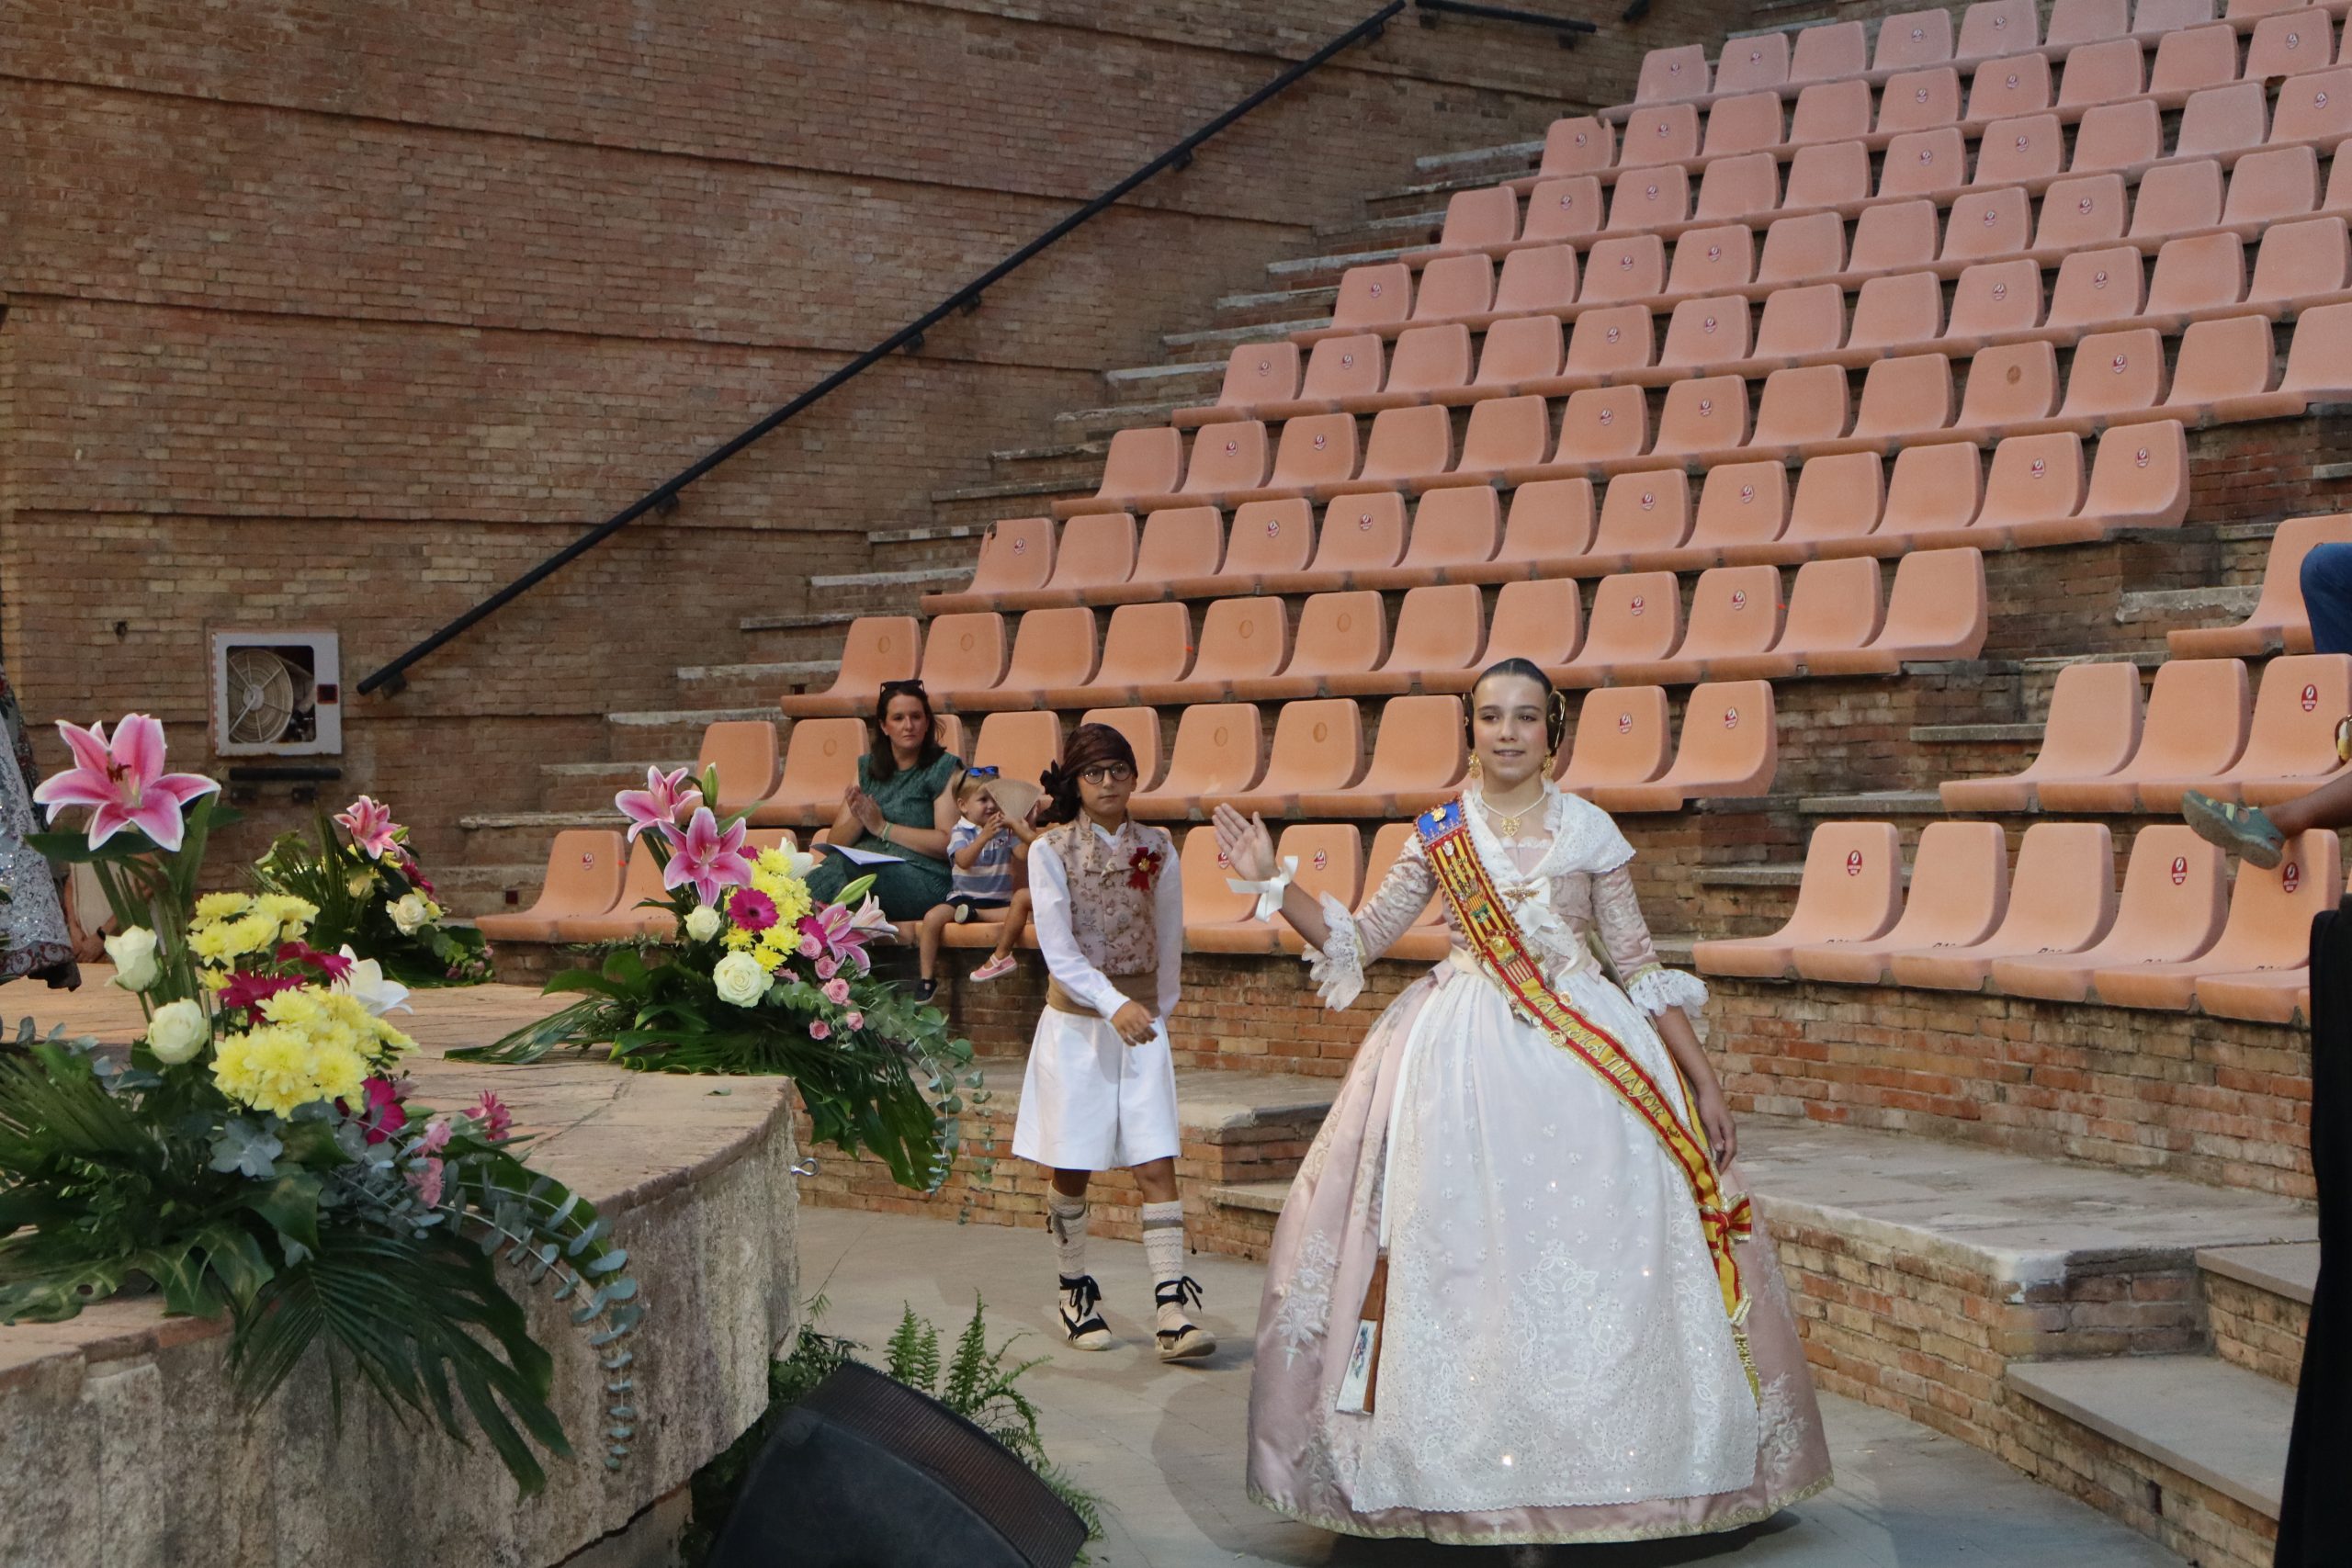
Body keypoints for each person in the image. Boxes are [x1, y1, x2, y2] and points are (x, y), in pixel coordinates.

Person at [1216, 658, 1830, 1545]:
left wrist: (1703, 1079)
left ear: (1554, 731)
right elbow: (1360, 940)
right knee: (1466, 1267)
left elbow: (1638, 963)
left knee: (1598, 1263)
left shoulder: (1592, 830)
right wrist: (1272, 882)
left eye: (1526, 716)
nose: (1508, 731)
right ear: (1471, 729)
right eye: (1492, 715)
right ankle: (1470, 1481)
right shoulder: (1439, 833)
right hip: (1458, 1067)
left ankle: (1624, 1477)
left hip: (1592, 1066)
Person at [1011, 723, 1214, 1362]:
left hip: (1141, 1022)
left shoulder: (1158, 846)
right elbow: (1058, 949)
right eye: (1094, 773)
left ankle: (1171, 1310)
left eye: (1119, 770)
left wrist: (1157, 1008)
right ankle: (1074, 1287)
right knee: (1073, 1162)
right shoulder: (1049, 850)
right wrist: (1112, 1003)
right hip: (1078, 1026)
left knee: (1156, 1159)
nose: (1107, 783)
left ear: (1134, 776)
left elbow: (1170, 936)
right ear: (1075, 782)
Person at [805, 678, 964, 926]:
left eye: (916, 717)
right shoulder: (867, 768)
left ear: (927, 722)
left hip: (926, 878)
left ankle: (805, 932)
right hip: (863, 868)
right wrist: (860, 818)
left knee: (846, 872)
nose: (908, 725)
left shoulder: (944, 768)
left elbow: (949, 843)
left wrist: (883, 828)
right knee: (819, 873)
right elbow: (836, 843)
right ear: (884, 726)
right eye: (898, 718)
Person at [914, 767, 1035, 998]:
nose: (991, 805)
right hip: (963, 898)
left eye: (995, 799)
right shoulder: (960, 831)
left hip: (998, 901)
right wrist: (984, 836)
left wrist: (1026, 828)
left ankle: (975, 915)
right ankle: (927, 979)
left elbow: (1023, 855)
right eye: (983, 800)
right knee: (932, 918)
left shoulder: (1006, 831)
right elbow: (963, 860)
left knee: (1027, 917)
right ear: (963, 805)